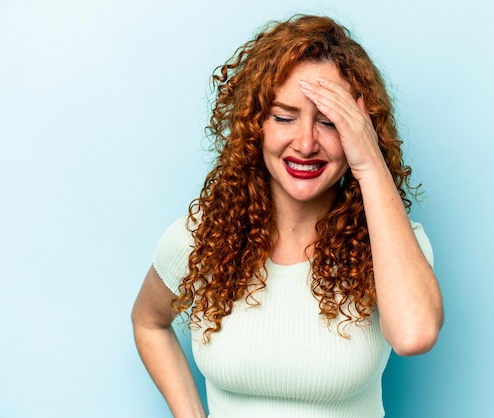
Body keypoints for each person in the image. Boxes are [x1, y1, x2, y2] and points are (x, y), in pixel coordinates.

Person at [131, 14, 444, 418]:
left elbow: (414, 334)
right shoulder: (202, 238)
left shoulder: (394, 244)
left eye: (331, 122)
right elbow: (149, 322)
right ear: (255, 124)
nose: (306, 143)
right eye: (284, 117)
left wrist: (368, 164)